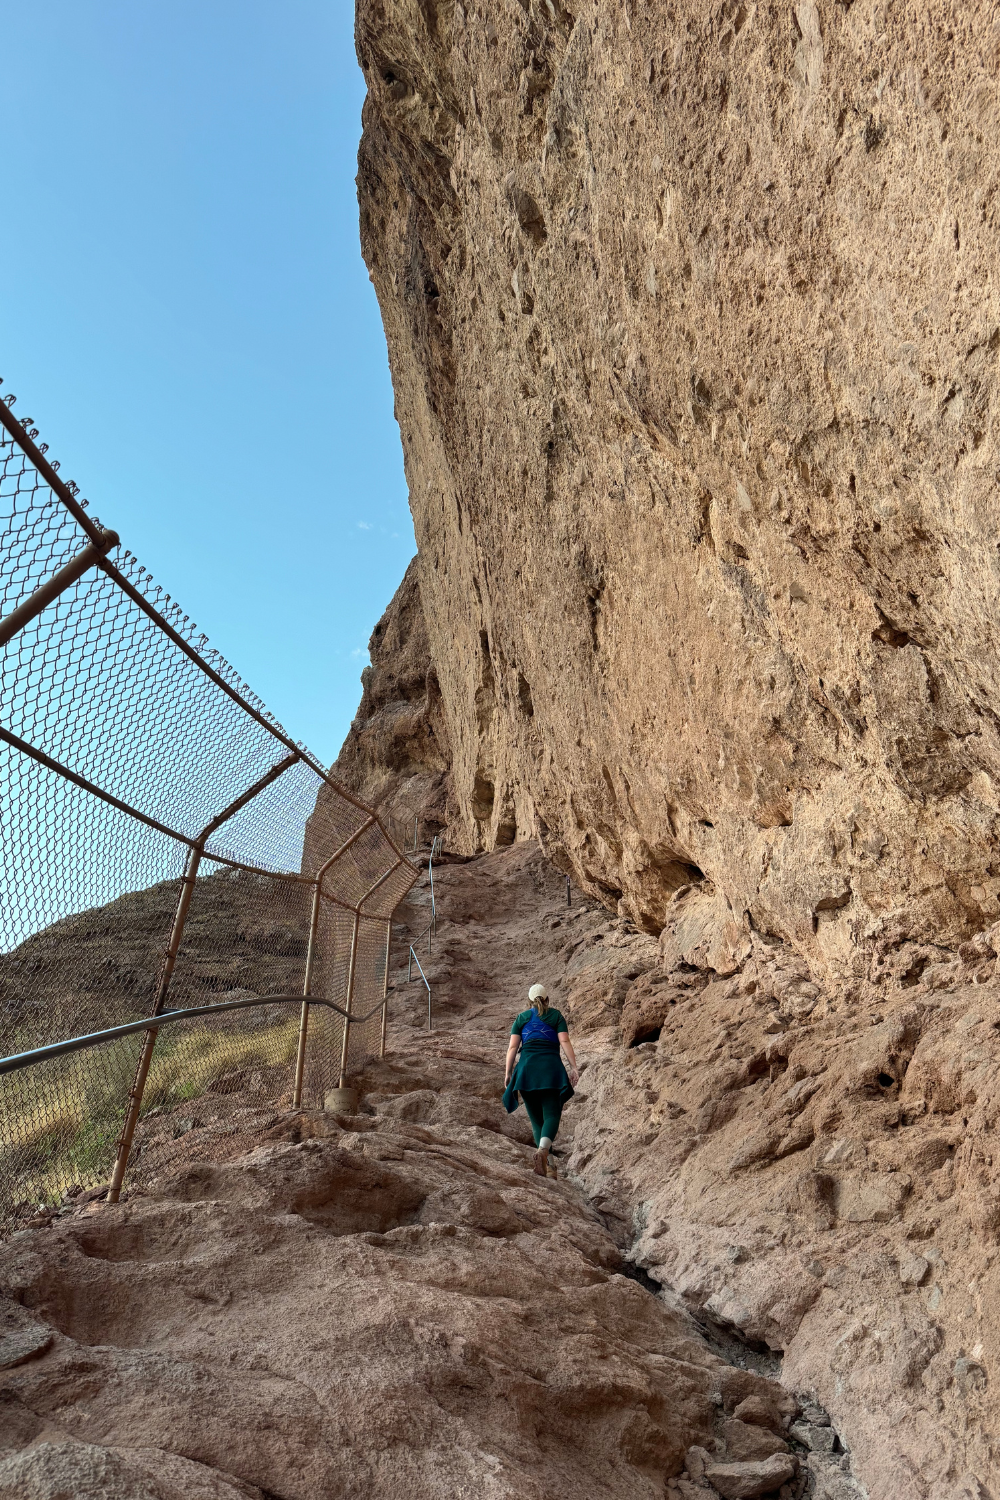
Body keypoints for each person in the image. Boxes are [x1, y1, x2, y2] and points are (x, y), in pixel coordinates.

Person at [502, 983, 579, 1178]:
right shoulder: (555, 1016)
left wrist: (508, 1073)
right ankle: (543, 1152)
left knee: (537, 1121)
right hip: (550, 1069)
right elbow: (564, 1041)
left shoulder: (522, 1018)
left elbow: (512, 1048)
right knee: (551, 1114)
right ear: (547, 999)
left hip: (526, 1070)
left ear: (528, 1001)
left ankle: (550, 1167)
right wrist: (573, 1067)